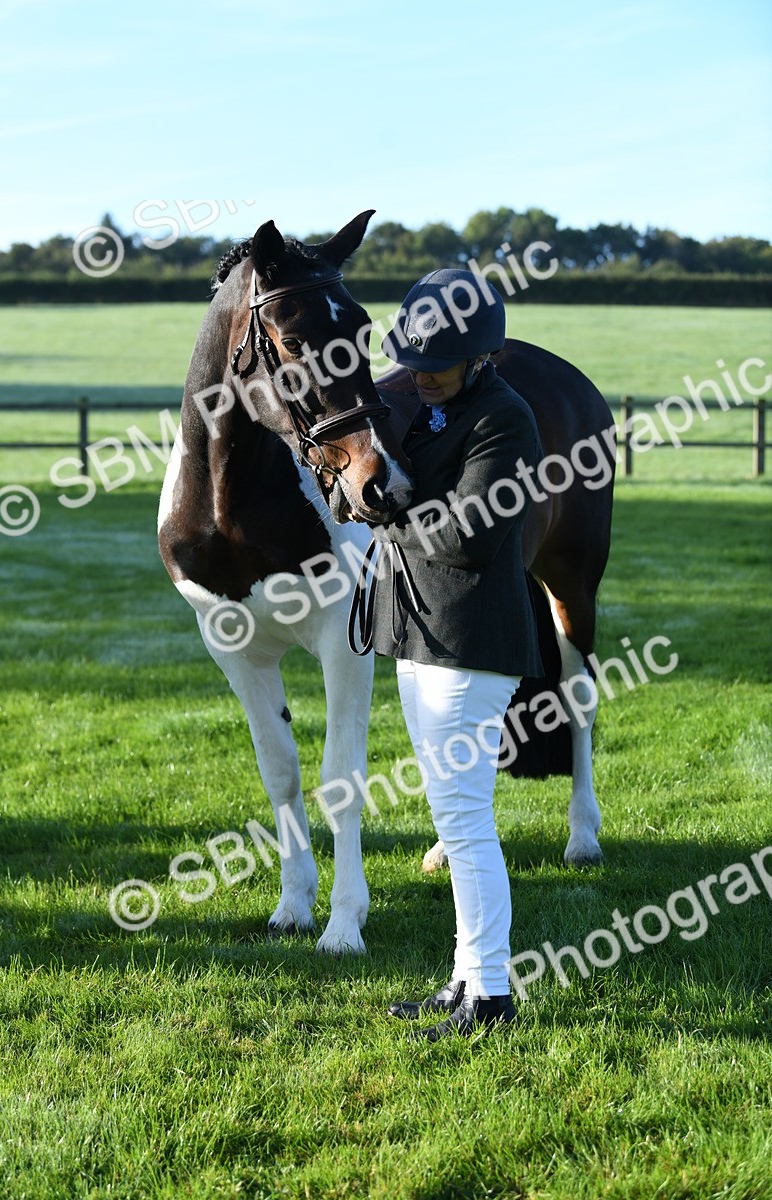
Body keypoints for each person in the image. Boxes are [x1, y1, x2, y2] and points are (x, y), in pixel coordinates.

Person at [349, 268, 544, 1042]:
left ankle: (490, 996)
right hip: (419, 636)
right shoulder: (425, 413)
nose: (418, 375)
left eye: (434, 363)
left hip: (471, 643)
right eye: (413, 361)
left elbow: (470, 536)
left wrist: (388, 514)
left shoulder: (505, 418)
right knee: (454, 816)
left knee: (464, 823)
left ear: (480, 357)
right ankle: (464, 978)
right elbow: (364, 482)